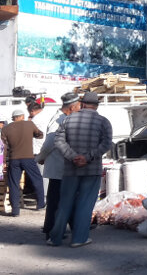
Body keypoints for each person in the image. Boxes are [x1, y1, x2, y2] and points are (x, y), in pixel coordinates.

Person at [48, 92, 112, 247]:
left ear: (82, 104)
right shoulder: (104, 122)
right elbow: (106, 144)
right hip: (92, 170)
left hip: (71, 169)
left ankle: (55, 238)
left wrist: (73, 156)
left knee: (65, 204)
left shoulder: (68, 119)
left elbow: (58, 141)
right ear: (97, 105)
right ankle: (79, 239)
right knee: (85, 204)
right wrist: (88, 157)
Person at [36, 92, 81, 238]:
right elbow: (49, 142)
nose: (80, 108)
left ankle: (69, 227)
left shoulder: (65, 118)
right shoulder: (58, 120)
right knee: (55, 200)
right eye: (79, 106)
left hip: (63, 167)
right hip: (58, 167)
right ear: (72, 107)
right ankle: (51, 230)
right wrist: (41, 158)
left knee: (65, 198)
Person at [1, 110, 45, 216]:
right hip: (28, 157)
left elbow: (4, 147)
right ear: (22, 116)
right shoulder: (29, 124)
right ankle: (40, 204)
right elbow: (40, 135)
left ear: (13, 118)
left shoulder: (5, 129)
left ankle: (15, 210)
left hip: (14, 159)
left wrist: (4, 162)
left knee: (13, 184)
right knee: (37, 179)